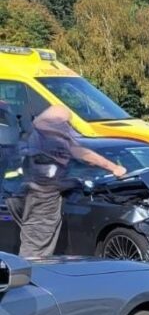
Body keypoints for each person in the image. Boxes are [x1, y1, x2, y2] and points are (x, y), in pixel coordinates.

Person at [12, 104, 125, 258]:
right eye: (66, 122)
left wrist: (73, 181)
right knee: (35, 250)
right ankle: (29, 279)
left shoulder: (31, 134)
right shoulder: (54, 138)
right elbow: (85, 154)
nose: (68, 126)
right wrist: (114, 168)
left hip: (17, 195)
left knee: (30, 236)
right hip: (41, 197)